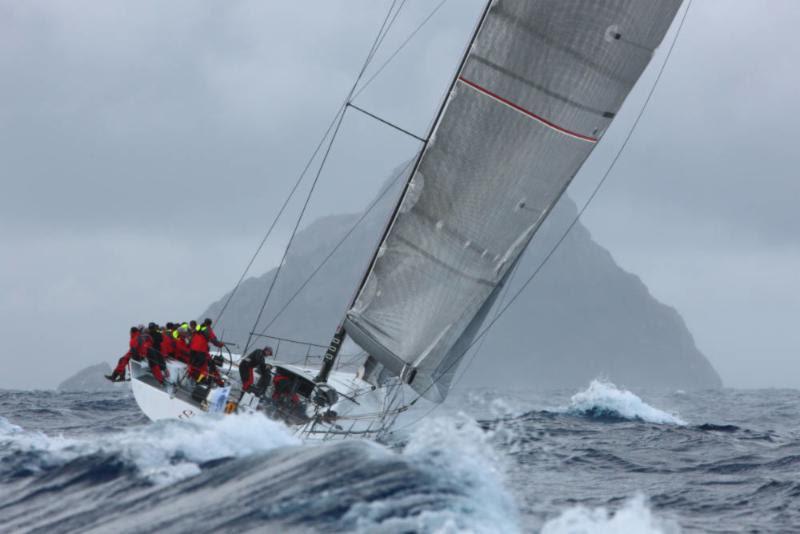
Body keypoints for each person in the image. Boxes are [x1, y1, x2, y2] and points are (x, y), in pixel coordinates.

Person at [188, 319, 224, 386]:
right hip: (201, 350)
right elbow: (214, 341)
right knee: (203, 367)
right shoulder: (208, 330)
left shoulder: (198, 327)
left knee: (193, 365)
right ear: (210, 324)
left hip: (192, 349)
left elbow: (192, 336)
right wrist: (220, 344)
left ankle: (191, 379)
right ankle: (201, 382)